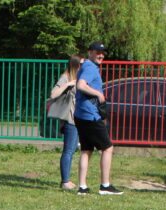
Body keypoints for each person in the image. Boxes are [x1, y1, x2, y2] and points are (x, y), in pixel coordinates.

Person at [73, 41, 122, 196]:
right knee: (107, 148)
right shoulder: (90, 67)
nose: (100, 55)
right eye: (97, 52)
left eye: (102, 53)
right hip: (89, 114)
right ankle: (105, 186)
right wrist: (98, 94)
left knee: (86, 150)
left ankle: (82, 187)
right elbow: (81, 85)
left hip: (81, 113)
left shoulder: (86, 66)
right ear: (90, 52)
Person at [50, 54, 82, 190]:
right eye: (81, 64)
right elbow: (53, 94)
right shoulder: (66, 77)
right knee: (68, 150)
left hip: (77, 119)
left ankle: (67, 180)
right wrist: (68, 84)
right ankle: (65, 181)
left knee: (72, 149)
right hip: (70, 119)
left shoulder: (79, 78)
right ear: (75, 65)